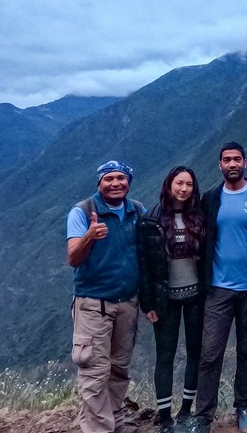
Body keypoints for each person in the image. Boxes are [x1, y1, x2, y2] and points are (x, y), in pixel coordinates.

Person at [188, 142, 247, 433]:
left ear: (245, 162)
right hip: (217, 288)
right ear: (219, 165)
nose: (232, 164)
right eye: (226, 160)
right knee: (210, 353)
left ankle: (243, 406)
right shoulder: (210, 198)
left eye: (236, 159)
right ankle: (203, 416)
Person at [66, 160, 145, 433]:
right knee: (94, 372)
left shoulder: (136, 211)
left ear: (128, 182)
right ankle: (99, 429)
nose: (115, 183)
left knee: (119, 368)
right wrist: (89, 236)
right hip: (93, 304)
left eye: (120, 178)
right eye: (108, 178)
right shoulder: (83, 212)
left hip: (127, 302)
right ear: (99, 183)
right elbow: (73, 258)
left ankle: (116, 423)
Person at [137, 166, 207, 433]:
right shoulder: (151, 220)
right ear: (169, 184)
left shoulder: (198, 217)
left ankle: (186, 411)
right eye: (179, 183)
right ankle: (165, 417)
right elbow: (143, 264)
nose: (184, 189)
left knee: (194, 354)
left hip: (195, 297)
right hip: (165, 300)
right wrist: (148, 303)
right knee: (164, 356)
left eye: (189, 184)